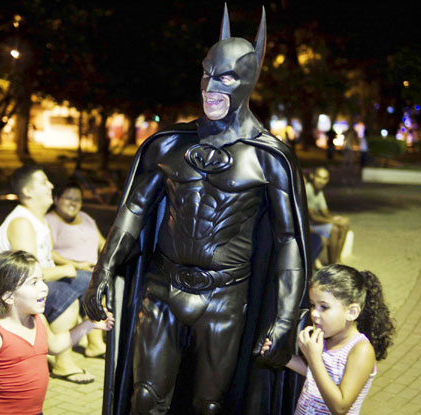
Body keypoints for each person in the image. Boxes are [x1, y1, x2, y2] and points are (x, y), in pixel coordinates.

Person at [84, 5, 310, 415]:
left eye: (224, 77)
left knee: (209, 405)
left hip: (226, 295)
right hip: (163, 288)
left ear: (248, 81)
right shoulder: (168, 145)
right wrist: (103, 270)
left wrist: (285, 317)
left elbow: (289, 239)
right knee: (145, 398)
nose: (210, 85)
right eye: (206, 72)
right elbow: (134, 209)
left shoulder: (269, 158)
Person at [0, 251, 114, 415]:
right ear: (9, 296)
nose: (44, 288)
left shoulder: (38, 320)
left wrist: (89, 325)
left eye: (42, 280)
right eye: (34, 283)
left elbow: (55, 345)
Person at [0, 165, 95, 384]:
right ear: (28, 192)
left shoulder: (36, 221)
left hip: (28, 289)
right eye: (43, 182)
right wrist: (66, 270)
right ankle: (63, 362)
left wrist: (76, 265)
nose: (50, 186)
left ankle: (95, 341)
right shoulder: (22, 223)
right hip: (12, 295)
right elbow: (29, 275)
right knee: (65, 291)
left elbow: (47, 257)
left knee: (93, 280)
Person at [261, 264, 395, 414]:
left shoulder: (361, 350)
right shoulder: (326, 336)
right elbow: (316, 374)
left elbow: (340, 406)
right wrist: (283, 358)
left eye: (324, 307)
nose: (314, 314)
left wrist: (314, 358)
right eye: (313, 305)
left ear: (352, 312)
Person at [46, 181, 107, 358]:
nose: (73, 203)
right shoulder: (50, 220)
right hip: (69, 272)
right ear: (56, 199)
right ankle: (95, 343)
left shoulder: (87, 219)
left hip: (93, 270)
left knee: (105, 282)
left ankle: (97, 342)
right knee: (94, 284)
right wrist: (78, 265)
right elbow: (50, 252)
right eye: (68, 198)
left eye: (78, 200)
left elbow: (102, 242)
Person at [305, 167, 350, 264]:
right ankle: (332, 264)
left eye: (324, 178)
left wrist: (337, 218)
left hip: (313, 224)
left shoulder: (319, 192)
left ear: (327, 180)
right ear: (312, 176)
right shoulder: (308, 190)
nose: (321, 181)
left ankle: (338, 260)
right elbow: (313, 217)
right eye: (319, 177)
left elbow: (325, 212)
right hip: (305, 226)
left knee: (344, 226)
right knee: (333, 229)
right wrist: (335, 221)